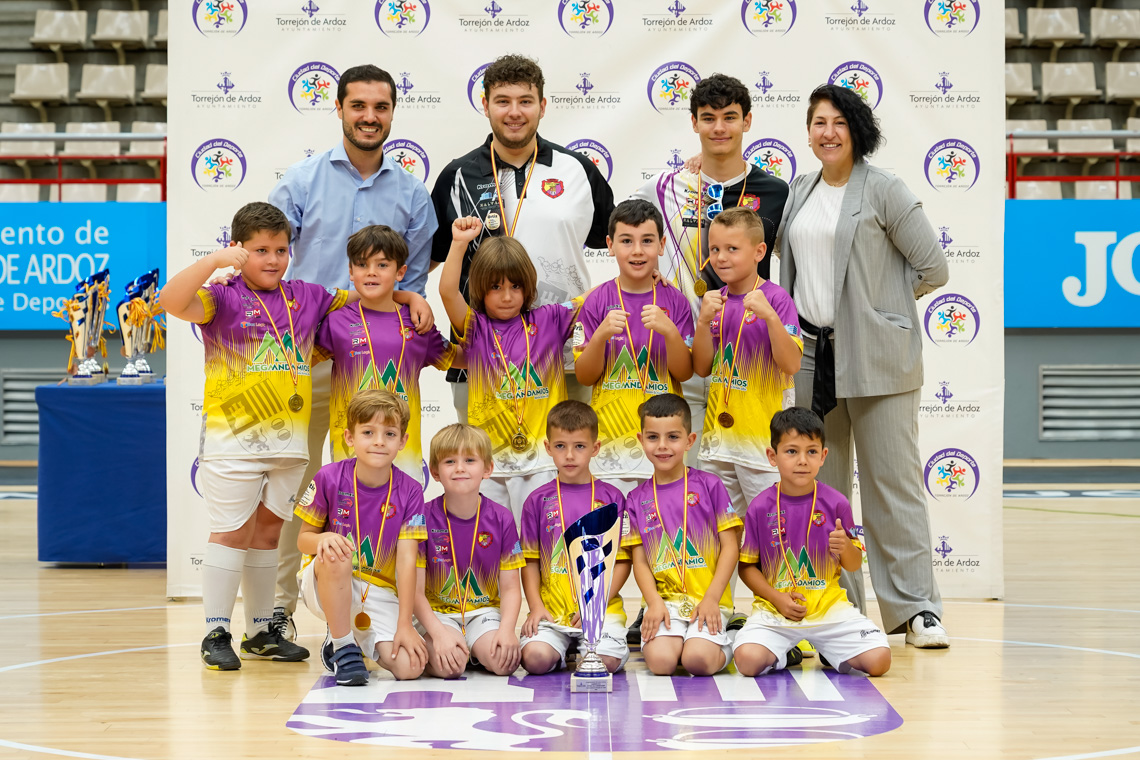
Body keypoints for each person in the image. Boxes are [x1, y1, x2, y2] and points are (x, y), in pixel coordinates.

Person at [775, 84, 951, 648]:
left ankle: (916, 610)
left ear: (857, 130)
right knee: (820, 488)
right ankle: (839, 606)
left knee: (891, 484)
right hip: (810, 357)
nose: (827, 132)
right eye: (818, 123)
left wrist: (881, 315)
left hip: (879, 361)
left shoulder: (885, 188)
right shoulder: (800, 190)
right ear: (807, 131)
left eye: (838, 123)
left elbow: (933, 269)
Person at [270, 63, 437, 642]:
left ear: (393, 112)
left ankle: (389, 609)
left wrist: (413, 298)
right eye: (358, 105)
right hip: (308, 358)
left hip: (376, 369)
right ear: (338, 108)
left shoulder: (413, 193)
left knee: (379, 482)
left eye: (381, 107)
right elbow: (270, 261)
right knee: (302, 484)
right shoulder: (300, 181)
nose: (370, 116)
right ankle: (281, 609)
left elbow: (413, 279)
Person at [159, 201, 353, 669]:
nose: (272, 259)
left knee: (268, 534)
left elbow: (368, 301)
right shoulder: (220, 297)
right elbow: (169, 302)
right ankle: (215, 631)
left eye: (281, 250)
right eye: (260, 250)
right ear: (239, 250)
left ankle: (261, 631)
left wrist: (410, 298)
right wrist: (212, 262)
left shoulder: (307, 296)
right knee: (232, 532)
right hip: (234, 441)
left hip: (289, 443)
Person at [430, 54, 615, 419]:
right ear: (485, 105)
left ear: (542, 106)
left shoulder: (578, 170)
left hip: (566, 353)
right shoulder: (458, 176)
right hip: (484, 355)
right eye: (503, 101)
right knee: (481, 470)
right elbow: (432, 258)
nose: (514, 112)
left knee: (568, 468)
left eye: (525, 101)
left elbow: (621, 238)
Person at [632, 73, 790, 458]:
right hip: (679, 352)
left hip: (748, 357)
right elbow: (627, 239)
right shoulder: (664, 187)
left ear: (747, 121)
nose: (719, 128)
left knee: (751, 478)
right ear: (694, 123)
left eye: (730, 117)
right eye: (708, 118)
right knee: (680, 481)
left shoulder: (777, 192)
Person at [439, 216, 585, 518]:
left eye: (515, 286)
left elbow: (598, 298)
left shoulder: (550, 319)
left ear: (528, 285)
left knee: (540, 546)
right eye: (495, 287)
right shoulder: (475, 326)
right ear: (480, 288)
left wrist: (645, 276)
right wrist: (458, 244)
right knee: (496, 548)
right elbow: (448, 292)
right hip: (488, 462)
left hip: (542, 461)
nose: (507, 296)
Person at [733, 407, 891, 677]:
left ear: (823, 456)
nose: (802, 460)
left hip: (829, 609)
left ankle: (832, 649)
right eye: (792, 451)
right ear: (773, 456)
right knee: (747, 661)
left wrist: (846, 548)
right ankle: (784, 653)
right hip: (776, 611)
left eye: (812, 451)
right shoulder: (760, 507)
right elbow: (747, 568)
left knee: (880, 660)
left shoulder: (837, 502)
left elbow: (853, 566)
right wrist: (778, 599)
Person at [294, 389, 429, 685]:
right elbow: (303, 540)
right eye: (368, 432)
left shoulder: (410, 490)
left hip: (379, 591)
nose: (379, 441)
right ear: (350, 437)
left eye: (390, 433)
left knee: (410, 667)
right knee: (335, 553)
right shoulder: (329, 477)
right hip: (326, 578)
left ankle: (351, 637)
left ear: (403, 441)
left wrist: (405, 624)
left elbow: (408, 560)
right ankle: (342, 646)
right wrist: (323, 539)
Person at [316, 225, 459, 487]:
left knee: (401, 524)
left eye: (382, 265)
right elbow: (298, 355)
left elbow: (460, 359)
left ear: (400, 271)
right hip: (349, 450)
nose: (371, 272)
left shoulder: (418, 322)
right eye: (361, 264)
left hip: (404, 451)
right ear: (350, 271)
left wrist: (502, 338)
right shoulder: (335, 321)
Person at [573, 199, 695, 493]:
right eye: (626, 241)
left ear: (662, 244)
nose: (637, 250)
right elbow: (584, 376)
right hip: (610, 445)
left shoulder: (675, 300)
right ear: (610, 245)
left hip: (663, 446)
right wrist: (601, 335)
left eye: (647, 241)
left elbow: (685, 372)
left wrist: (669, 332)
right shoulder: (596, 301)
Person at [692, 207, 801, 518]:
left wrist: (769, 317)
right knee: (724, 534)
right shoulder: (715, 301)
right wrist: (702, 323)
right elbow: (702, 368)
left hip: (763, 446)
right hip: (718, 443)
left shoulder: (776, 299)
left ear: (759, 251)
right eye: (714, 249)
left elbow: (791, 364)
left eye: (732, 249)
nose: (721, 257)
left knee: (771, 531)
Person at [624, 393, 741, 677]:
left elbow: (730, 547)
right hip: (666, 605)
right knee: (661, 664)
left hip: (709, 600)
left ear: (690, 440)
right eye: (653, 437)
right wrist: (653, 602)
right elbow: (638, 561)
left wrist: (712, 598)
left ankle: (735, 634)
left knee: (697, 661)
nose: (662, 446)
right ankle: (683, 640)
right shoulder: (635, 497)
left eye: (673, 437)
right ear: (641, 440)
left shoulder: (709, 485)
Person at [518, 401, 630, 675]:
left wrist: (598, 601)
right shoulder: (537, 500)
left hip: (602, 611)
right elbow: (530, 561)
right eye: (560, 446)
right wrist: (535, 607)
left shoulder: (613, 499)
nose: (569, 455)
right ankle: (559, 647)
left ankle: (587, 647)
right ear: (547, 447)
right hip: (552, 613)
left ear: (595, 448)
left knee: (605, 664)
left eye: (579, 446)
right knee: (534, 659)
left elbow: (623, 561)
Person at [413, 424, 524, 678]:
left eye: (470, 460)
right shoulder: (423, 518)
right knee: (449, 667)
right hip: (439, 615)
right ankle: (458, 649)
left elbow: (510, 589)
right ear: (435, 472)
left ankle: (474, 649)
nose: (460, 468)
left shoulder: (502, 518)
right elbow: (416, 593)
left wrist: (507, 631)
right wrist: (438, 634)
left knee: (504, 664)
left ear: (487, 469)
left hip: (483, 613)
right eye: (450, 461)